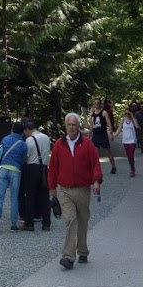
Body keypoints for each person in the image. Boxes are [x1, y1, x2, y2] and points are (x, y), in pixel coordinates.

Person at [47, 112, 103, 270]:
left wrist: (96, 181)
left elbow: (95, 164)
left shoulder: (87, 144)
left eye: (74, 125)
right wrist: (52, 190)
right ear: (66, 126)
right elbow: (53, 169)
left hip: (82, 189)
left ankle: (83, 250)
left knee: (83, 220)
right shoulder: (59, 144)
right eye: (69, 125)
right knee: (70, 220)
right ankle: (69, 256)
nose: (71, 127)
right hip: (64, 190)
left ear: (79, 126)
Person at [0, 122, 28, 233]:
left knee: (0, 197)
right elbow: (24, 160)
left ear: (12, 129)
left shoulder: (5, 139)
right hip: (15, 171)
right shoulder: (23, 144)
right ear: (22, 131)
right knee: (14, 198)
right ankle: (13, 224)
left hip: (3, 168)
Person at [20, 118, 52, 231]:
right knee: (44, 195)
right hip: (44, 168)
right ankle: (46, 223)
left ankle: (29, 223)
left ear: (28, 130)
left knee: (30, 195)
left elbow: (27, 156)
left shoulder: (29, 140)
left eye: (25, 132)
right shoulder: (46, 138)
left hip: (32, 168)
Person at [89, 98, 117, 174]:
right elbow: (91, 125)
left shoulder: (104, 112)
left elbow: (108, 123)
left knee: (108, 151)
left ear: (100, 104)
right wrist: (89, 135)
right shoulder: (92, 113)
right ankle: (96, 168)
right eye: (95, 103)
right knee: (95, 153)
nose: (96, 104)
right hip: (95, 135)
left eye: (98, 103)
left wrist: (111, 133)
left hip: (103, 134)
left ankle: (113, 166)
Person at [121, 109, 139, 176]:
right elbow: (119, 129)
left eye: (128, 114)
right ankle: (132, 167)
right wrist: (113, 136)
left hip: (132, 140)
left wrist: (132, 117)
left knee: (131, 155)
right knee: (128, 156)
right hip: (125, 141)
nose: (127, 115)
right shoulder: (123, 120)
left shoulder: (133, 120)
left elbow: (137, 126)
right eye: (126, 113)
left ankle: (132, 170)